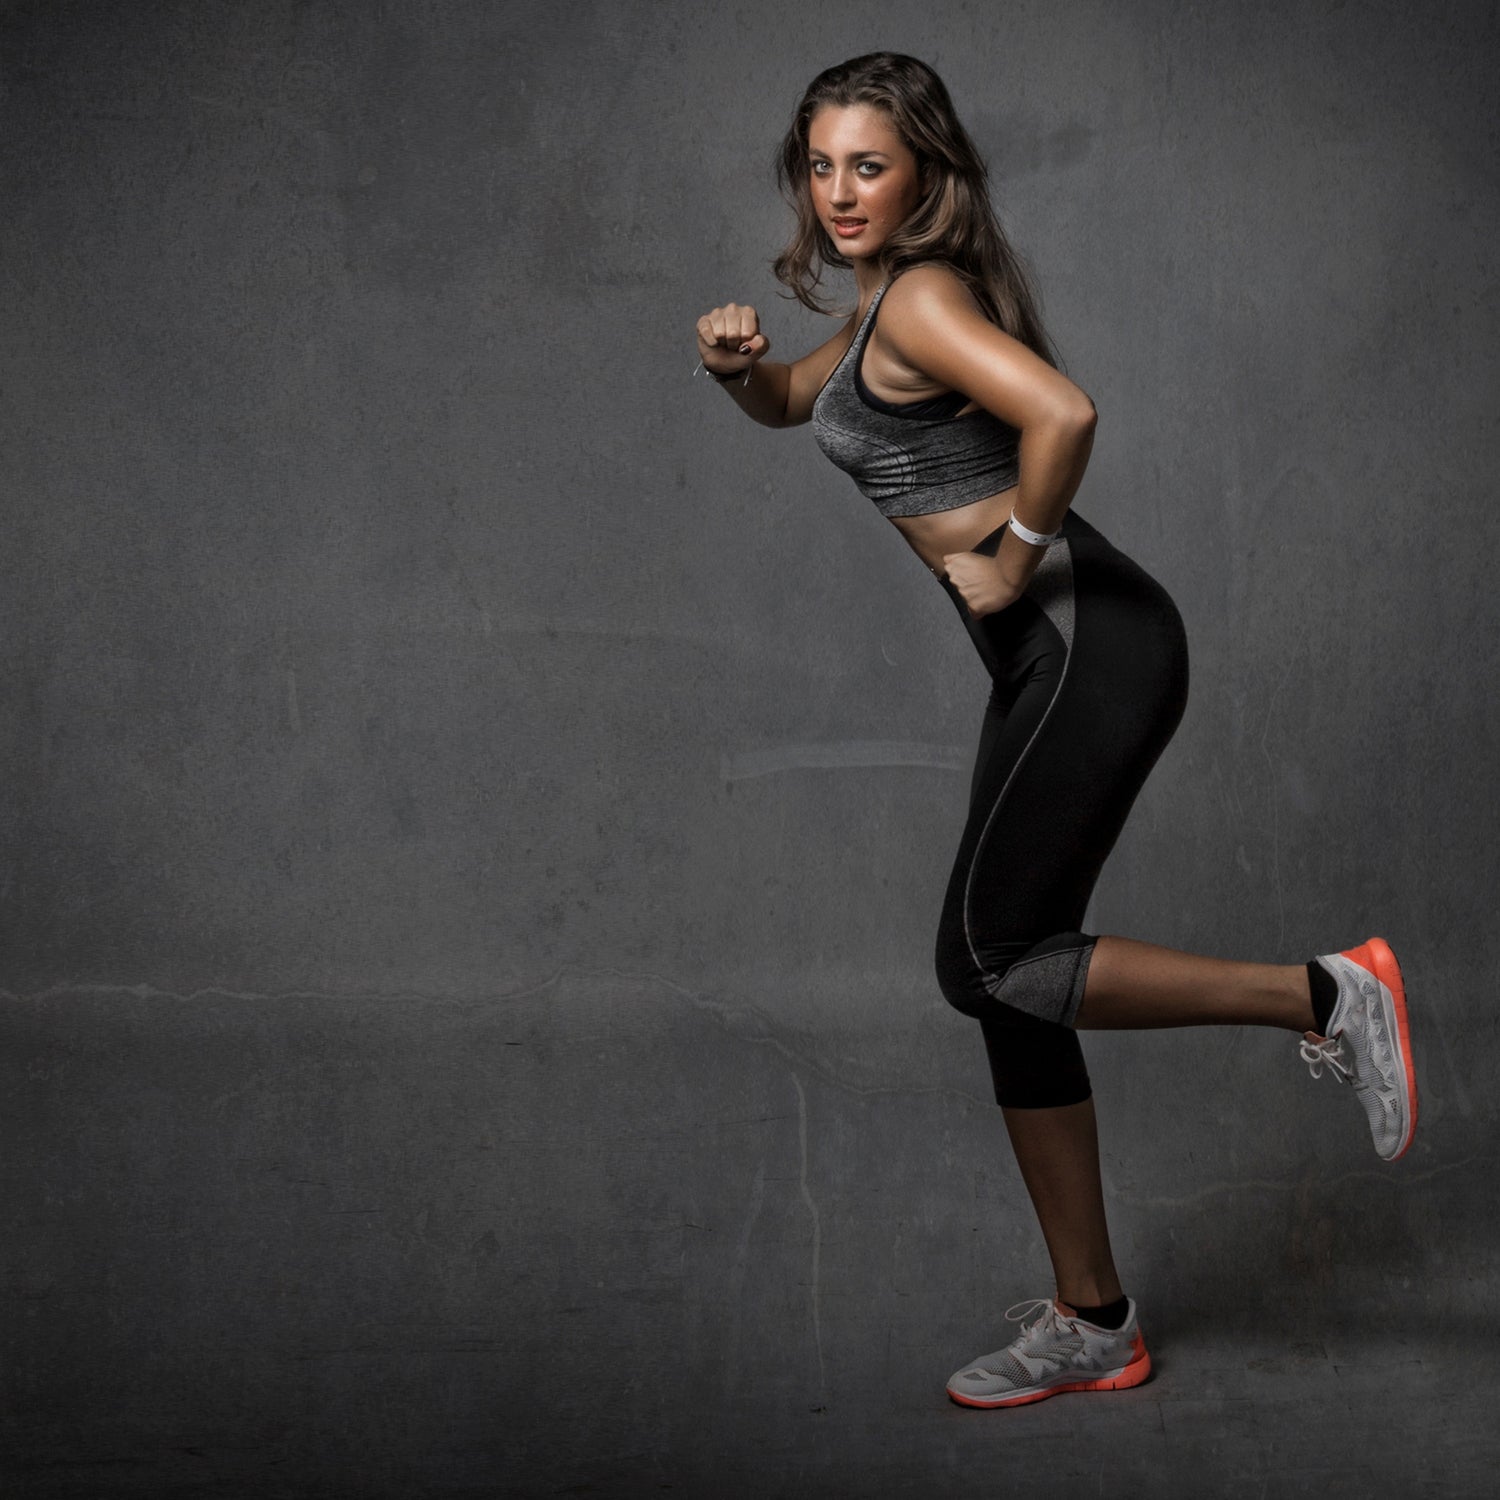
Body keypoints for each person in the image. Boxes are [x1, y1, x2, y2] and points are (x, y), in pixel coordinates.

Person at [691, 51, 1417, 1410]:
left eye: (871, 164)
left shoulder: (922, 296)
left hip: (1091, 640)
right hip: (1054, 660)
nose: (841, 191)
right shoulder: (871, 315)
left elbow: (1063, 413)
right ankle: (1095, 1322)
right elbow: (801, 404)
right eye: (824, 164)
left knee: (990, 956)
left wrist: (1016, 554)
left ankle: (1328, 994)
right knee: (1005, 977)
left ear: (925, 175)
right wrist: (736, 370)